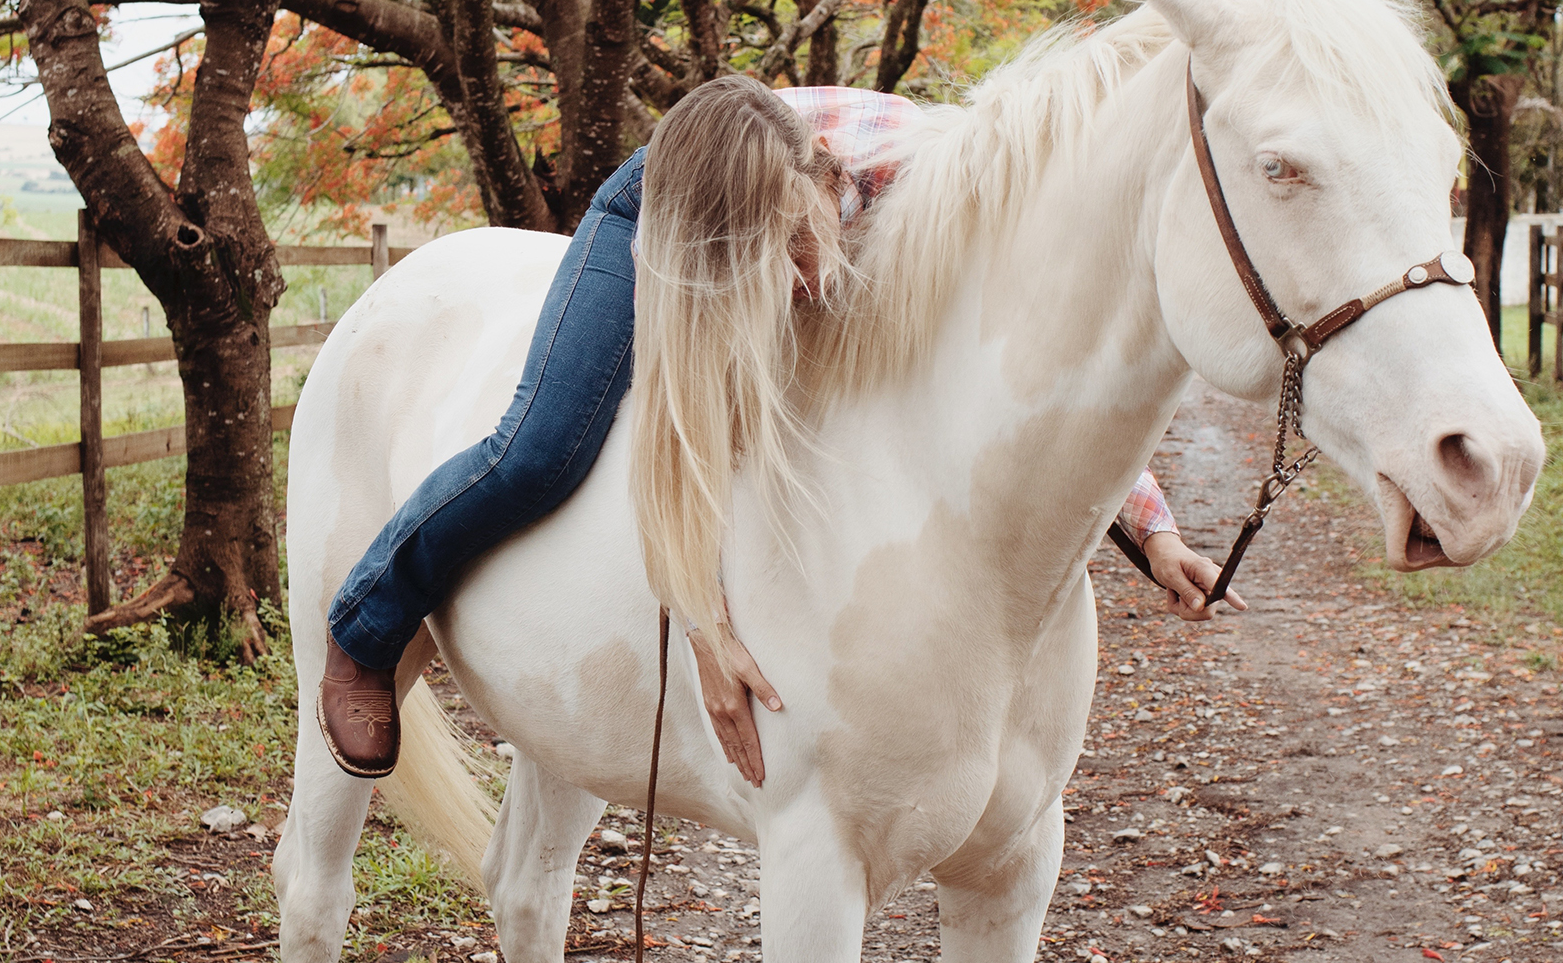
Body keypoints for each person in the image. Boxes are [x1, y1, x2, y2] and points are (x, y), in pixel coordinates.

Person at [318, 81, 1236, 782]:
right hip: (666, 202)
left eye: (800, 245)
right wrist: (708, 635)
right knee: (540, 451)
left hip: (766, 169)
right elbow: (684, 434)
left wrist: (1153, 532)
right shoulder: (702, 247)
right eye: (770, 263)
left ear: (832, 179)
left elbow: (1034, 376)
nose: (800, 282)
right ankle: (367, 622)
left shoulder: (932, 192)